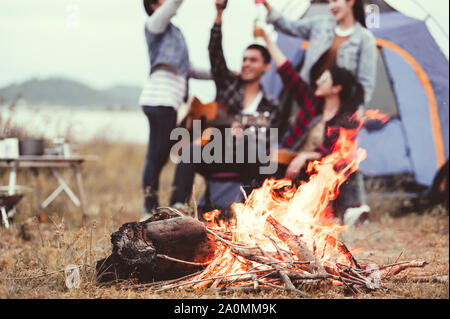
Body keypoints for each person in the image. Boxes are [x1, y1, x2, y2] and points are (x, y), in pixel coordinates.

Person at [262, 0, 377, 226]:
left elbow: (366, 85)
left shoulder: (364, 39)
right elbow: (289, 31)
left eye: (336, 0)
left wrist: (353, 116)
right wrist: (266, 9)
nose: (331, 5)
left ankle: (349, 210)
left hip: (344, 110)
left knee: (341, 158)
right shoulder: (320, 26)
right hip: (316, 106)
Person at [169, 0, 279, 207]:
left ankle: (253, 213)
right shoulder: (229, 86)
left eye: (253, 60)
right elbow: (215, 54)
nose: (246, 63)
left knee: (260, 155)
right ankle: (176, 207)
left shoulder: (271, 104)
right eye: (244, 59)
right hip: (219, 153)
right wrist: (219, 13)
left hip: (251, 159)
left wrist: (244, 130)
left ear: (266, 66)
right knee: (191, 150)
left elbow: (270, 135)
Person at [140, 0, 211, 220]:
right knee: (156, 155)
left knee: (160, 156)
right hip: (159, 100)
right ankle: (151, 209)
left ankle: (164, 205)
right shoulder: (154, 25)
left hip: (168, 104)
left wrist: (222, 73)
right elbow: (172, 6)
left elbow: (189, 69)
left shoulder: (176, 33)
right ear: (153, 5)